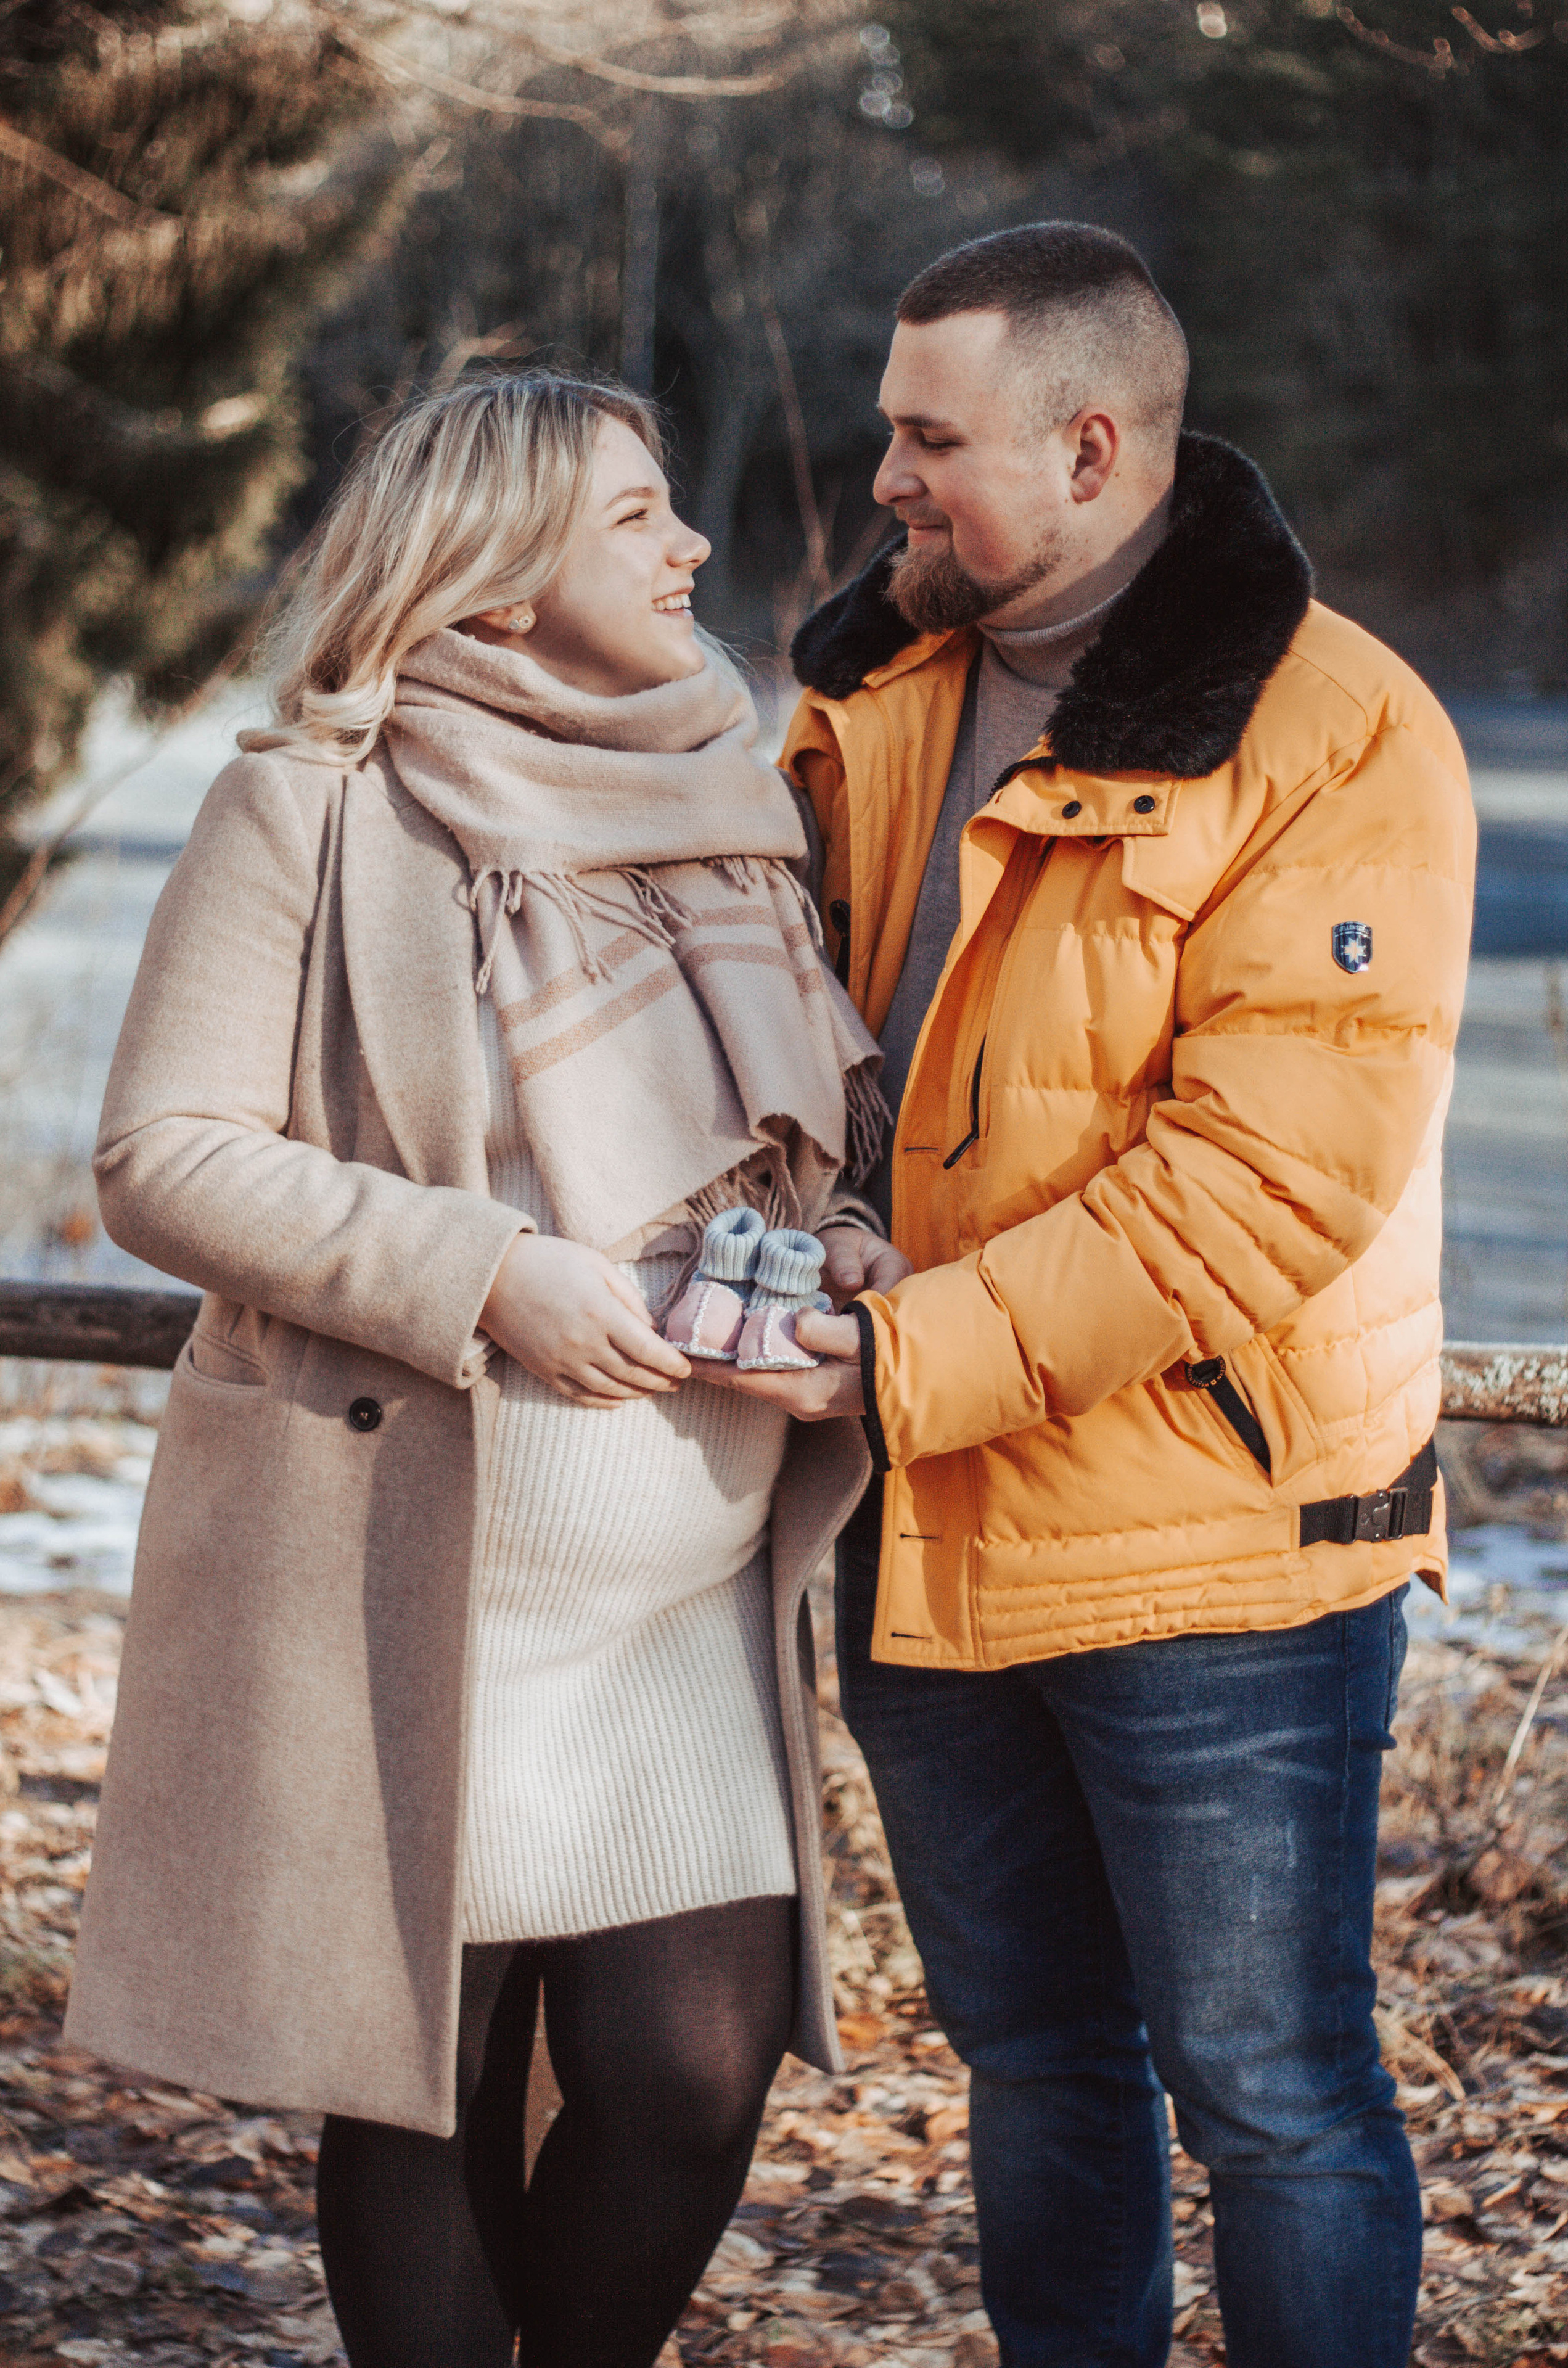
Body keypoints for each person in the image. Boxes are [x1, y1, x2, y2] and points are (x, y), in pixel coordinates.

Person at [63, 372, 902, 2368]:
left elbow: (790, 1141)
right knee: (426, 2090)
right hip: (419, 1575)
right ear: (504, 575)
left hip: (678, 1592)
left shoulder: (731, 789)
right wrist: (491, 1271)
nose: (690, 548)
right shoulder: (318, 802)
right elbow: (158, 1161)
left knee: (690, 2075)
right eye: (635, 516)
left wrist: (839, 1250)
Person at [726, 224, 1476, 2367]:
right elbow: (805, 1035)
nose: (886, 479)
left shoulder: (1334, 734)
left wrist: (899, 1351)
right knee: (1039, 2066)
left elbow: (1264, 1178)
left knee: (1274, 2099)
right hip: (926, 1512)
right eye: (887, 430)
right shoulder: (873, 694)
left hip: (1215, 1550)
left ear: (1087, 446)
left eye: (924, 437)